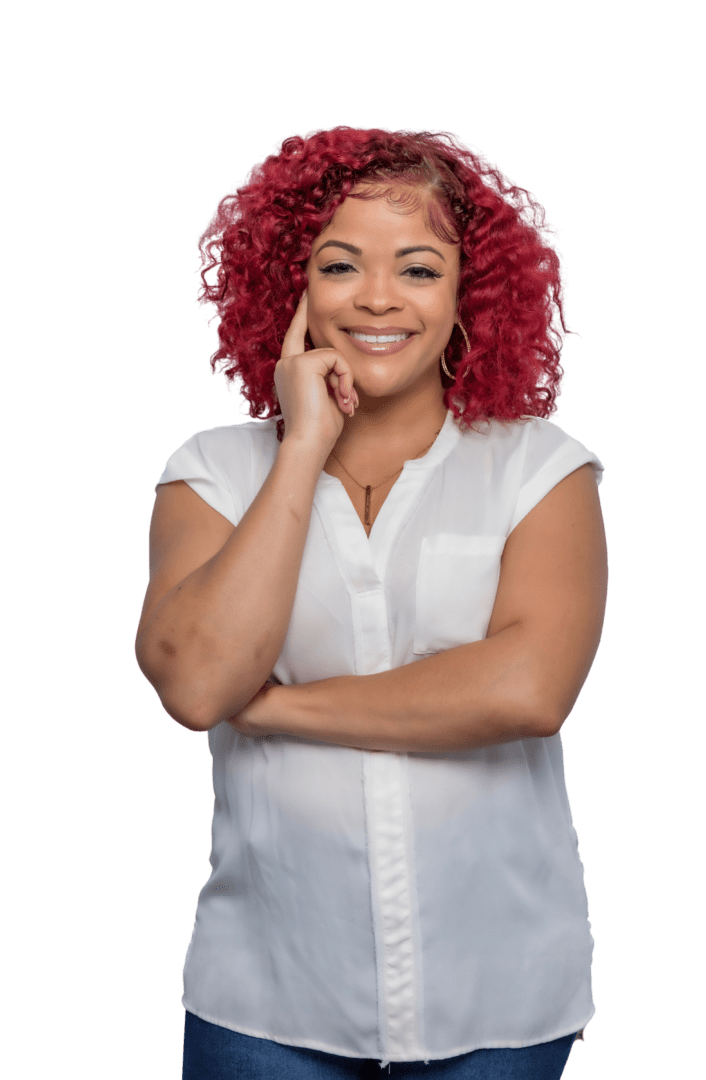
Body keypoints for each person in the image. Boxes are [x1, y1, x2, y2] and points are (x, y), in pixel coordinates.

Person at [135, 126, 608, 1079]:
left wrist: (273, 707)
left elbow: (525, 689)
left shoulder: (538, 470)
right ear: (293, 287)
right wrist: (302, 447)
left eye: (420, 269)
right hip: (265, 997)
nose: (379, 298)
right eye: (340, 264)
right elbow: (195, 682)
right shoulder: (215, 473)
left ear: (466, 295)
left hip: (500, 998)